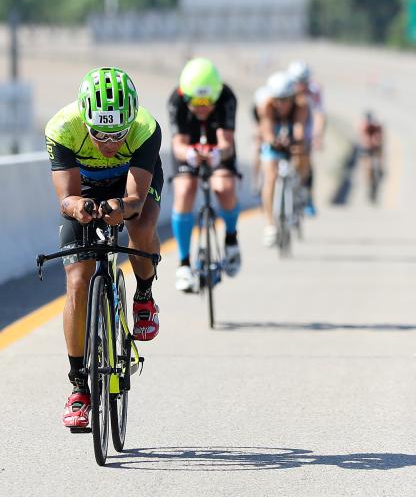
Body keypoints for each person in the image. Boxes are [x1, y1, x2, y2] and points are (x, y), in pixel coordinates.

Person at [45, 67, 163, 431]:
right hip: (85, 189)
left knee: (140, 227)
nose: (110, 143)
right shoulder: (62, 128)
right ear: (84, 118)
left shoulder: (145, 128)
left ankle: (144, 296)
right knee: (78, 282)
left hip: (129, 185)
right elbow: (66, 199)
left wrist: (121, 208)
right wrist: (79, 207)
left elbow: (135, 200)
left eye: (118, 133)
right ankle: (79, 387)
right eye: (99, 133)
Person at [167, 58, 241, 293]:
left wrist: (218, 154)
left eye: (207, 103)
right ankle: (184, 264)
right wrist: (189, 154)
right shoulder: (176, 101)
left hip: (217, 144)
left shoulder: (227, 97)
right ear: (184, 95)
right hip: (189, 148)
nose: (201, 109)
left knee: (224, 187)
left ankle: (231, 239)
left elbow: (226, 143)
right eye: (195, 103)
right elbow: (178, 144)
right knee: (186, 189)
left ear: (216, 96)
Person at [258, 72, 309, 246]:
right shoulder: (266, 106)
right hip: (274, 136)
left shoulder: (300, 105)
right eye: (278, 100)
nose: (282, 104)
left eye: (286, 99)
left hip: (291, 132)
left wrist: (296, 141)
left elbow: (299, 128)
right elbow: (266, 129)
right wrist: (273, 141)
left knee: (302, 155)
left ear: (292, 97)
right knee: (270, 177)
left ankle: (300, 187)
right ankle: (270, 225)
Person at [287, 60, 325, 215]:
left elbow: (319, 114)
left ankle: (307, 194)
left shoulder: (314, 90)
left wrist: (317, 136)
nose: (300, 86)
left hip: (308, 125)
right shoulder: (286, 88)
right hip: (289, 123)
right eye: (297, 82)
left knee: (305, 160)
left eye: (304, 82)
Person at [356, 110, 385, 203]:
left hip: (375, 145)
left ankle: (380, 169)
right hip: (366, 146)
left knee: (379, 152)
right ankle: (368, 182)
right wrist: (367, 143)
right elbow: (362, 138)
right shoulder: (363, 125)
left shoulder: (378, 125)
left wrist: (377, 142)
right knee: (366, 164)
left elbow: (381, 138)